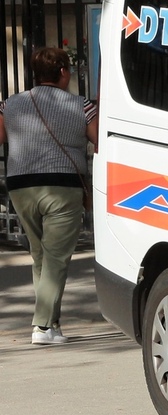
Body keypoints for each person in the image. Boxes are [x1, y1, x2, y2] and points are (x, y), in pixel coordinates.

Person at [0, 46, 99, 344]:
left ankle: (52, 325)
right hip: (62, 186)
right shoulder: (82, 105)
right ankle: (42, 326)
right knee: (56, 257)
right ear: (63, 72)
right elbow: (100, 140)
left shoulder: (10, 105)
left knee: (40, 255)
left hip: (20, 185)